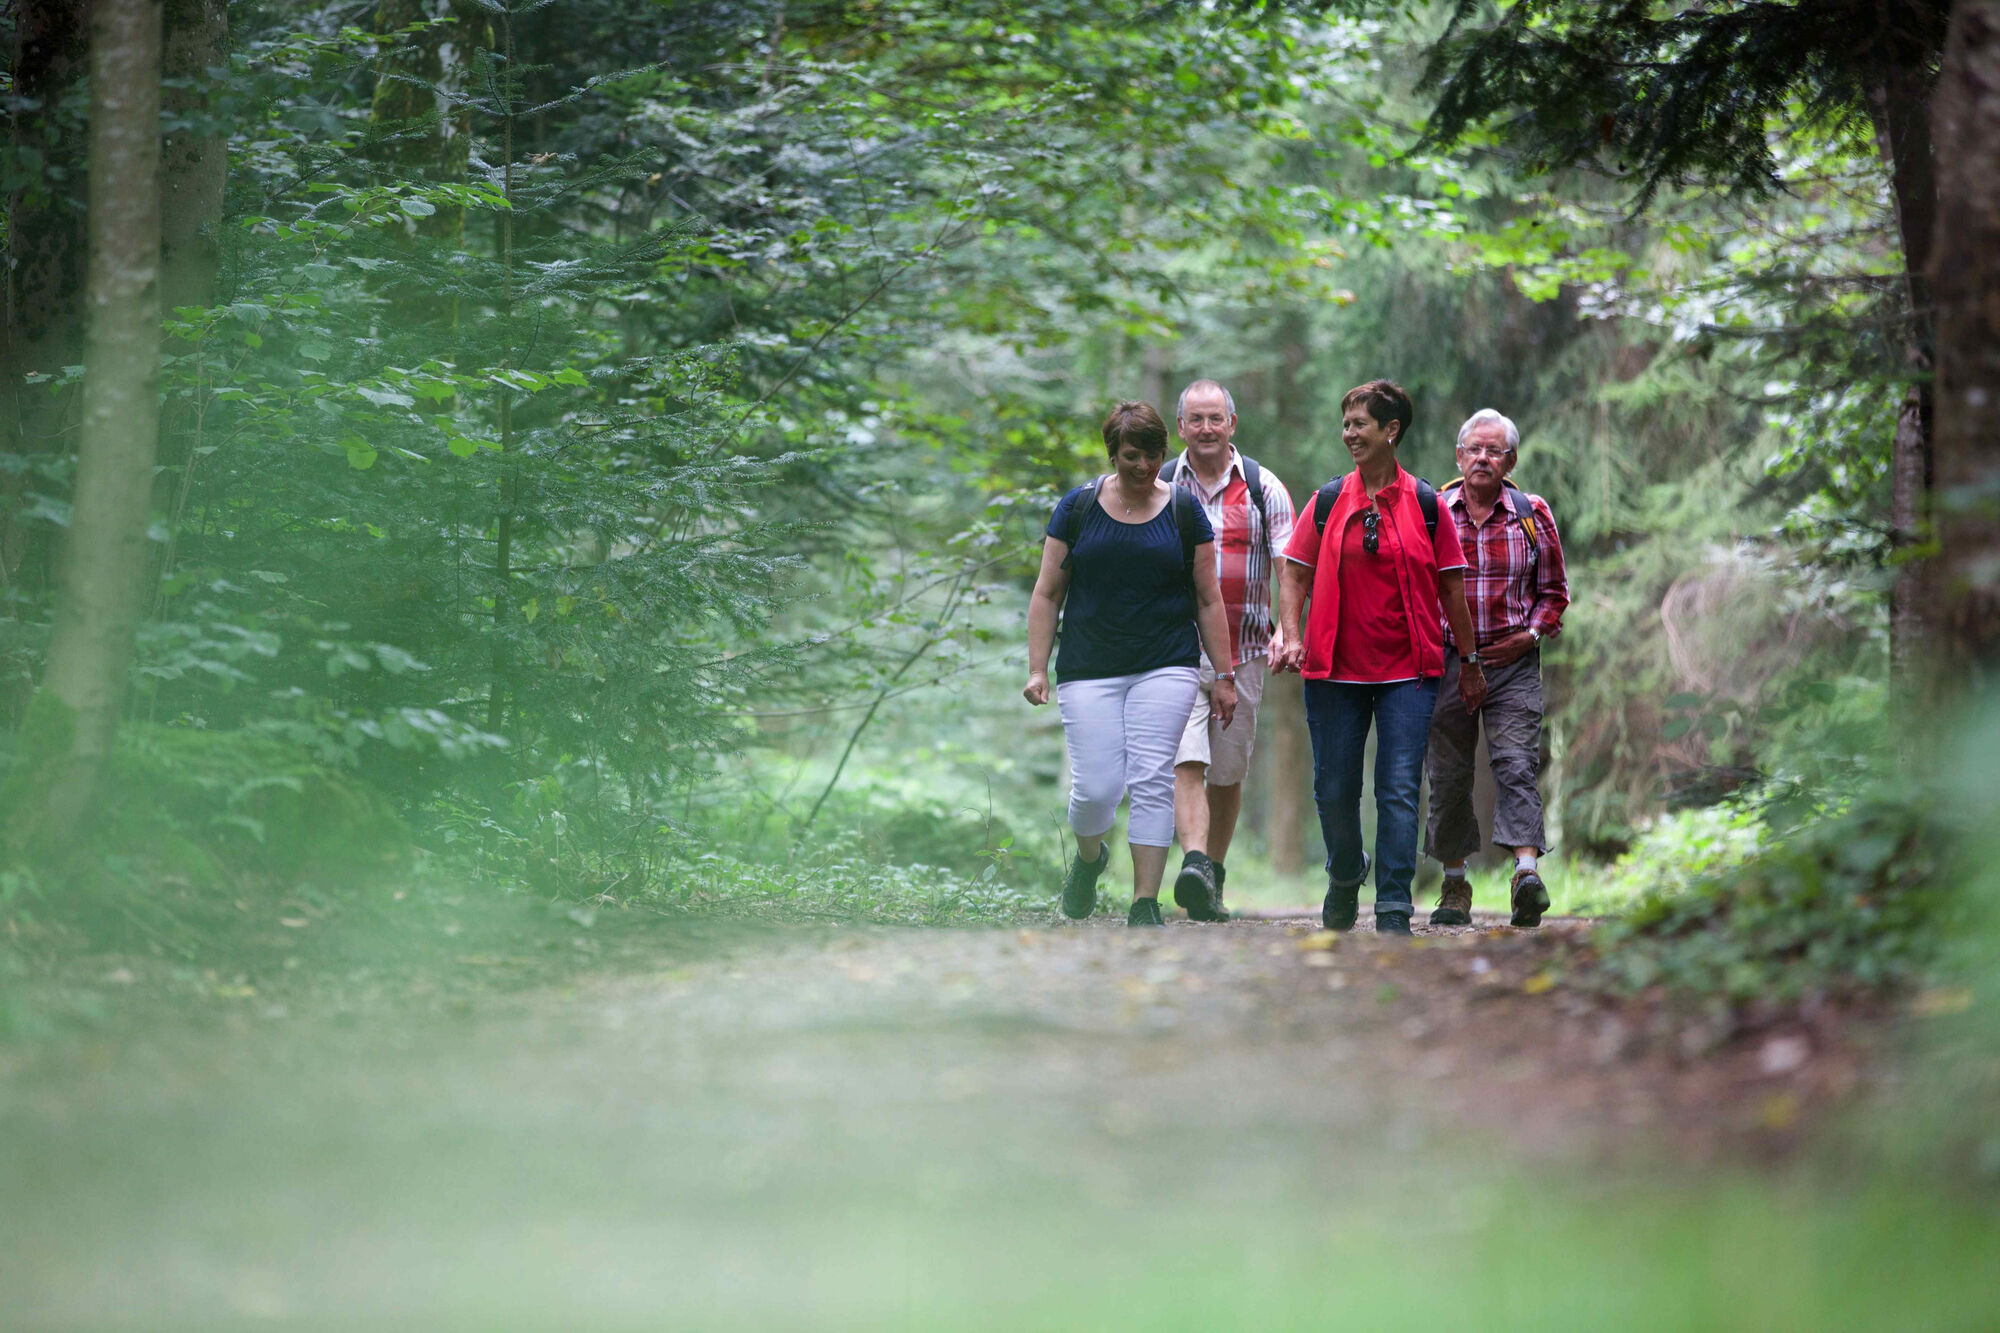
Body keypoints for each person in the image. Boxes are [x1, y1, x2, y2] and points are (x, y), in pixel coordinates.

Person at [1272, 380, 1486, 936]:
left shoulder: (1427, 505)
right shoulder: (1327, 501)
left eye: (1359, 424)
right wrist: (1290, 633)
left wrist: (1469, 662)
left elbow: (1453, 591)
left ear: (1391, 430)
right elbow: (1294, 573)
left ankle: (1393, 902)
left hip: (1408, 673)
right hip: (1333, 670)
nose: (1349, 434)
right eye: (1345, 424)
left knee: (1398, 789)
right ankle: (1346, 872)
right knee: (1334, 789)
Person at [1025, 401, 1239, 927]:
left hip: (1165, 663)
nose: (1143, 466)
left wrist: (1224, 675)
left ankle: (1145, 901)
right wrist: (1037, 669)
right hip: (1088, 665)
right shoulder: (1077, 508)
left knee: (1152, 780)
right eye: (1131, 456)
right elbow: (1047, 593)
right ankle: (1089, 860)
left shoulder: (1184, 511)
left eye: (1153, 455)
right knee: (1096, 789)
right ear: (1112, 455)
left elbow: (1208, 598)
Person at [1424, 409, 1570, 928]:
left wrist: (1529, 636)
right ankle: (1454, 885)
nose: (1483, 458)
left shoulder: (1532, 514)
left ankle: (1525, 875)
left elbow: (1554, 592)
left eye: (1494, 451)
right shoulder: (1435, 511)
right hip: (1446, 661)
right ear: (1458, 457)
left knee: (1516, 764)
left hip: (1512, 663)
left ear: (1510, 461)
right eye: (1474, 450)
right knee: (1448, 774)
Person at [1162, 379, 1296, 922]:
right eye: (1195, 419)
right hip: (1173, 653)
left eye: (1215, 418)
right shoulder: (1162, 484)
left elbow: (1289, 567)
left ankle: (1210, 877)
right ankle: (1194, 862)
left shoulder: (1264, 488)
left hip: (1244, 652)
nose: (1206, 428)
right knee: (1186, 760)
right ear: (1181, 427)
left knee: (1227, 773)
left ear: (1232, 423)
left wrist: (1289, 630)